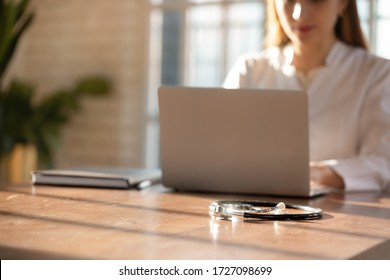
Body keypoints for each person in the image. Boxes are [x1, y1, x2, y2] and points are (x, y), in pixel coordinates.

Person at [223, 0, 390, 192]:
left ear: (342, 3)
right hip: (251, 209)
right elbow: (216, 148)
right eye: (288, 1)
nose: (299, 14)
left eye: (315, 0)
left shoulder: (377, 74)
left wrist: (318, 173)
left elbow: (382, 161)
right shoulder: (250, 70)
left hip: (343, 216)